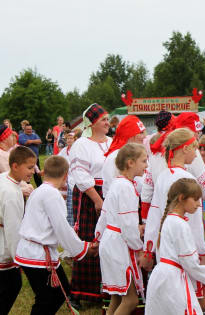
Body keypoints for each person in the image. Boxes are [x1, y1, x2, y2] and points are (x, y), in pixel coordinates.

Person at [14, 156, 99, 314]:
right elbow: (62, 228)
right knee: (47, 298)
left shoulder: (40, 191)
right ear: (66, 175)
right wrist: (84, 248)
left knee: (60, 293)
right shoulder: (52, 194)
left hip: (36, 252)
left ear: (44, 172)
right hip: (37, 255)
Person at [142, 128, 205, 310]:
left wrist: (148, 248)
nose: (197, 154)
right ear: (185, 149)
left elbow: (154, 214)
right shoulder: (187, 178)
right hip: (186, 253)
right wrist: (202, 253)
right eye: (195, 148)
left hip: (165, 251)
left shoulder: (163, 176)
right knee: (192, 302)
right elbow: (195, 223)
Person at [145, 178, 205, 315]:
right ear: (182, 198)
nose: (198, 204)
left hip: (162, 276)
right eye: (195, 199)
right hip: (173, 280)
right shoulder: (180, 224)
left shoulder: (169, 220)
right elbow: (190, 263)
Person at [95, 143, 147, 314]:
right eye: (144, 161)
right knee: (130, 299)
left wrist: (98, 237)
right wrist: (139, 248)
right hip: (119, 244)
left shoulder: (117, 184)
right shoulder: (126, 187)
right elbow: (128, 225)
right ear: (130, 163)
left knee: (117, 296)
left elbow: (105, 215)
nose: (146, 165)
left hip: (110, 241)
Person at [69, 103, 112, 306]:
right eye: (104, 119)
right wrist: (97, 200)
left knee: (109, 240)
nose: (107, 123)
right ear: (93, 123)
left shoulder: (112, 142)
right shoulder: (82, 144)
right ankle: (80, 292)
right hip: (89, 196)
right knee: (89, 240)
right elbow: (80, 174)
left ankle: (108, 289)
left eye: (107, 119)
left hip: (111, 193)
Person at [0, 146, 36, 314]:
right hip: (3, 250)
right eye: (29, 168)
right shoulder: (11, 195)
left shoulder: (3, 179)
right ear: (15, 166)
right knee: (11, 286)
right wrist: (20, 260)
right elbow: (13, 231)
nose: (33, 172)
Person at [102, 115, 146, 198]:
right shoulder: (115, 157)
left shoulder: (140, 153)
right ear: (129, 135)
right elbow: (111, 187)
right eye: (140, 133)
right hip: (121, 203)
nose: (144, 137)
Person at [58, 131, 77, 225]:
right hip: (65, 178)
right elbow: (58, 160)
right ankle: (67, 222)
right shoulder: (64, 150)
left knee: (72, 202)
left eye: (71, 138)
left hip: (74, 179)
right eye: (68, 138)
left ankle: (73, 223)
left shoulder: (77, 149)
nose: (69, 140)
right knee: (65, 202)